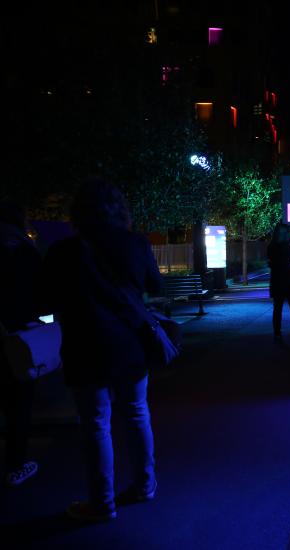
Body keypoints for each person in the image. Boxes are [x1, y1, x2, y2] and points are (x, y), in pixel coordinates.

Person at [42, 178, 162, 521]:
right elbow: (155, 285)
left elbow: (46, 298)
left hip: (84, 347)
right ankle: (144, 486)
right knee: (137, 413)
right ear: (119, 210)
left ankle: (101, 503)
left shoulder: (64, 251)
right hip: (129, 346)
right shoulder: (135, 244)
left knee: (95, 424)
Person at [0, 200, 42, 487]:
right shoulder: (24, 251)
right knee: (18, 402)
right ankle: (16, 465)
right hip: (17, 335)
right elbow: (41, 294)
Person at [267, 224, 290, 339]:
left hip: (277, 280)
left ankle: (277, 332)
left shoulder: (271, 246)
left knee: (277, 307)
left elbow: (271, 263)